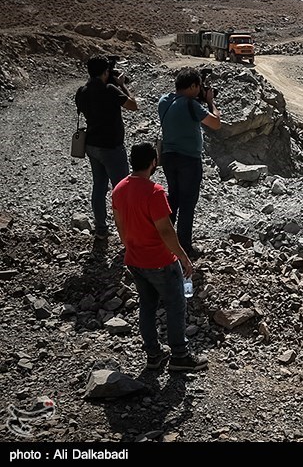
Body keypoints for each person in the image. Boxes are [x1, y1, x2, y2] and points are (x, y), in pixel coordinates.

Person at [111, 142, 208, 372]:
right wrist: (183, 257)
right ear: (154, 162)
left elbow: (119, 223)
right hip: (159, 261)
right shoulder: (155, 192)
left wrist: (129, 245)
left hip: (135, 259)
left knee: (147, 305)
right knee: (176, 305)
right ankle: (179, 355)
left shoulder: (119, 189)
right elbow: (166, 230)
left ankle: (153, 355)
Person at [158, 67, 221, 257]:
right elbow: (216, 123)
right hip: (189, 159)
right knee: (187, 203)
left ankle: (163, 239)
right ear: (193, 86)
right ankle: (184, 246)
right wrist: (211, 102)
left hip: (168, 157)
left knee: (173, 197)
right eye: (199, 86)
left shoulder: (164, 101)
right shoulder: (191, 105)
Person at [75, 55, 138, 239]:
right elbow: (133, 106)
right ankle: (128, 231)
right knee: (123, 189)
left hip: (92, 145)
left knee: (99, 187)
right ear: (105, 72)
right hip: (111, 147)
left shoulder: (82, 91)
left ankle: (101, 229)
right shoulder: (110, 89)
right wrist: (122, 85)